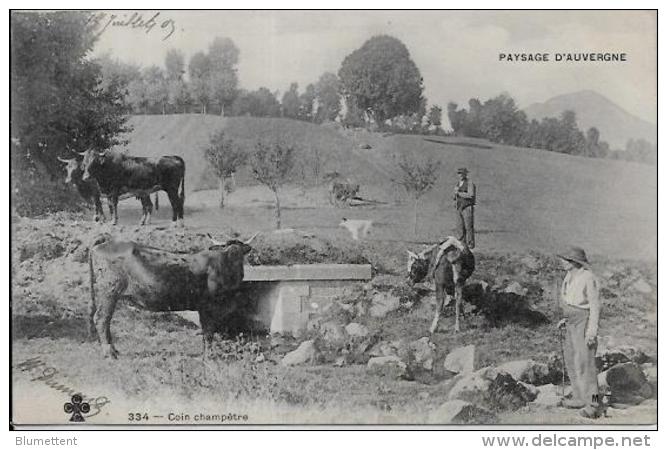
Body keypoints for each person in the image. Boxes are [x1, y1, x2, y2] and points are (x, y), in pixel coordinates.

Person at [557, 246, 602, 419]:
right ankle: (579, 397)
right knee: (571, 360)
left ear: (574, 262)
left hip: (584, 323)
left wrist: (591, 332)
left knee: (587, 363)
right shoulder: (569, 276)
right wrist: (566, 319)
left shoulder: (588, 277)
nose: (561, 262)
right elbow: (571, 301)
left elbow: (594, 306)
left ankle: (594, 404)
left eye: (565, 259)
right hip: (571, 323)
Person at [453, 167, 476, 248]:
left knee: (468, 227)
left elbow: (471, 195)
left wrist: (459, 193)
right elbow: (455, 196)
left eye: (462, 173)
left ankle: (470, 245)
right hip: (459, 207)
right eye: (459, 173)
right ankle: (462, 245)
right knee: (459, 227)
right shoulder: (457, 184)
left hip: (467, 207)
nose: (460, 175)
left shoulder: (470, 183)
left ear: (465, 174)